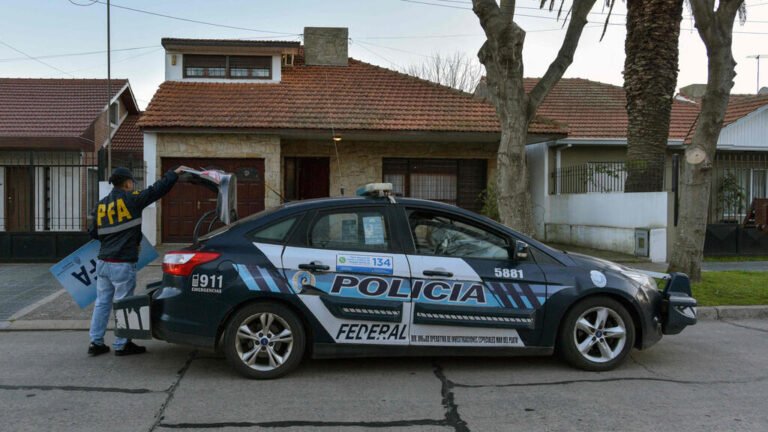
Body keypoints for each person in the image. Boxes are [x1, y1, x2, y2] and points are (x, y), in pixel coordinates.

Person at [87, 165, 187, 356]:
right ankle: (122, 344)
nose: (133, 185)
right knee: (124, 303)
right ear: (126, 182)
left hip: (103, 262)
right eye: (132, 182)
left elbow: (93, 233)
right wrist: (173, 174)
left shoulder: (101, 205)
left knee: (102, 303)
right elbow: (156, 190)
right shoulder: (132, 199)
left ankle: (96, 342)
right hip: (122, 262)